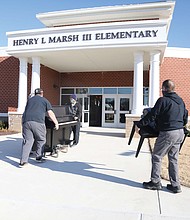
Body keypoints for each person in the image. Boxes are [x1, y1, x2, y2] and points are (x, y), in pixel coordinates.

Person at [136, 79, 188, 193]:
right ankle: (175, 185)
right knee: (173, 158)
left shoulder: (163, 100)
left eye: (162, 89)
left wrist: (139, 125)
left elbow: (152, 115)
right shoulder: (180, 101)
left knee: (157, 156)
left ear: (164, 89)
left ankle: (155, 182)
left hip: (168, 133)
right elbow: (185, 116)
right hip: (180, 132)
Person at [19, 88, 59, 167]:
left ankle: (23, 161)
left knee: (28, 141)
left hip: (26, 122)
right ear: (42, 93)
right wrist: (56, 123)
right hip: (38, 122)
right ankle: (38, 157)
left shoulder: (29, 100)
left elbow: (25, 111)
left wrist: (23, 123)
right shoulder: (44, 100)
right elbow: (50, 113)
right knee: (41, 139)